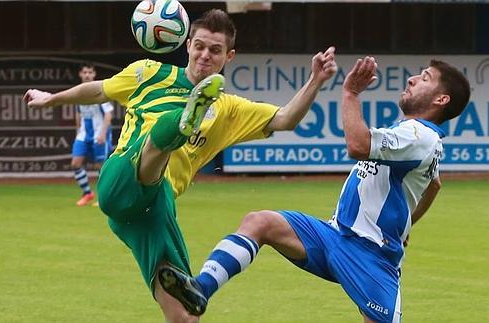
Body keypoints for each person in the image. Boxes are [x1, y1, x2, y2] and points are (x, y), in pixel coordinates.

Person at [23, 9, 337, 323]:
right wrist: (51, 99)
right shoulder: (147, 72)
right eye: (199, 46)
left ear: (229, 56)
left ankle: (180, 124)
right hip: (120, 179)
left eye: (215, 50)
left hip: (156, 211)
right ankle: (180, 122)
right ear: (187, 44)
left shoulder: (228, 108)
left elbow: (285, 119)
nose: (205, 55)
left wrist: (316, 80)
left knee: (186, 314)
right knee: (155, 141)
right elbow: (98, 89)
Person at [160, 56, 471, 322]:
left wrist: (350, 93)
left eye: (425, 78)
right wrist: (407, 225)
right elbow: (435, 184)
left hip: (371, 256)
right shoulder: (419, 136)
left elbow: (358, 145)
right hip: (334, 235)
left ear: (441, 100)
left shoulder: (420, 135)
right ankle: (200, 288)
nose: (413, 79)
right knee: (260, 222)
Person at [70, 63, 114, 206]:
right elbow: (78, 113)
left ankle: (105, 198)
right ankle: (87, 193)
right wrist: (78, 131)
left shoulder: (99, 90)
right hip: (83, 134)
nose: (87, 75)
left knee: (101, 166)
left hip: (99, 134)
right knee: (75, 163)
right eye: (85, 72)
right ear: (80, 75)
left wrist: (102, 133)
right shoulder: (77, 92)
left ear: (94, 74)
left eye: (90, 72)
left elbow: (108, 114)